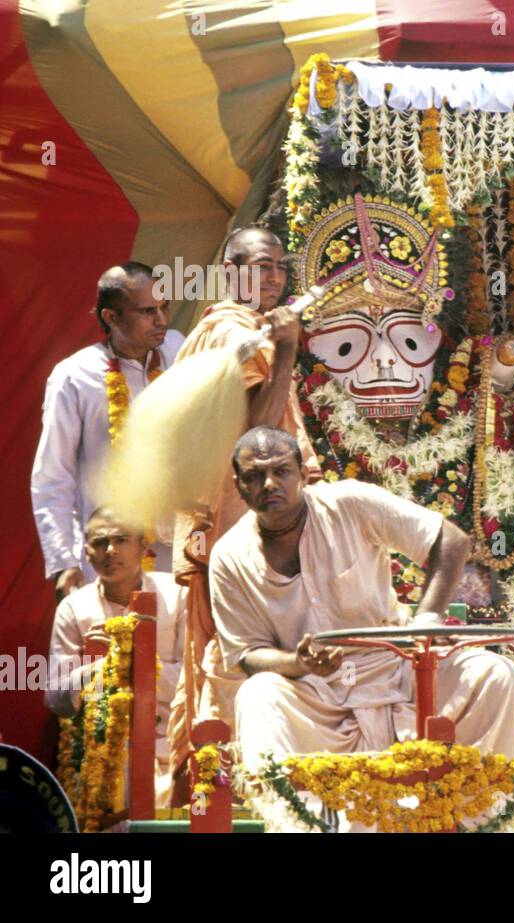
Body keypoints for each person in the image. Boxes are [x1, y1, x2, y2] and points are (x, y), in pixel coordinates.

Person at [210, 427, 514, 764]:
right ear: (239, 486)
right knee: (258, 696)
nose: (270, 484)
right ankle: (294, 815)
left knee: (496, 674)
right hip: (315, 693)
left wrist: (426, 620)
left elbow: (450, 541)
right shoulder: (228, 555)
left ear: (303, 474)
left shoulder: (349, 502)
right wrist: (298, 663)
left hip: (397, 666)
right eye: (255, 476)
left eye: (282, 471)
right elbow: (248, 653)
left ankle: (491, 811)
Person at [167, 228, 321, 782]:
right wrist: (285, 350)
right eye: (260, 267)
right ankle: (224, 779)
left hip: (245, 510)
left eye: (280, 267)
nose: (273, 278)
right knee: (238, 645)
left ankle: (260, 772)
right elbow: (256, 434)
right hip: (238, 513)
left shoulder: (248, 330)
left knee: (249, 643)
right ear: (229, 272)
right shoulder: (231, 331)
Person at [32, 262, 184, 595]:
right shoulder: (74, 376)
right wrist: (64, 563)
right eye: (147, 311)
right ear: (111, 318)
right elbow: (52, 476)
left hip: (180, 553)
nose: (161, 320)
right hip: (111, 559)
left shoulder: (178, 350)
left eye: (164, 307)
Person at [46, 507, 185, 807]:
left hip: (173, 743)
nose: (110, 551)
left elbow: (196, 679)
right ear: (87, 552)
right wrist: (100, 667)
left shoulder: (177, 595)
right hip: (103, 751)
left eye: (121, 540)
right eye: (100, 543)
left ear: (142, 545)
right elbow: (56, 698)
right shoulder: (73, 609)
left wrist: (132, 661)